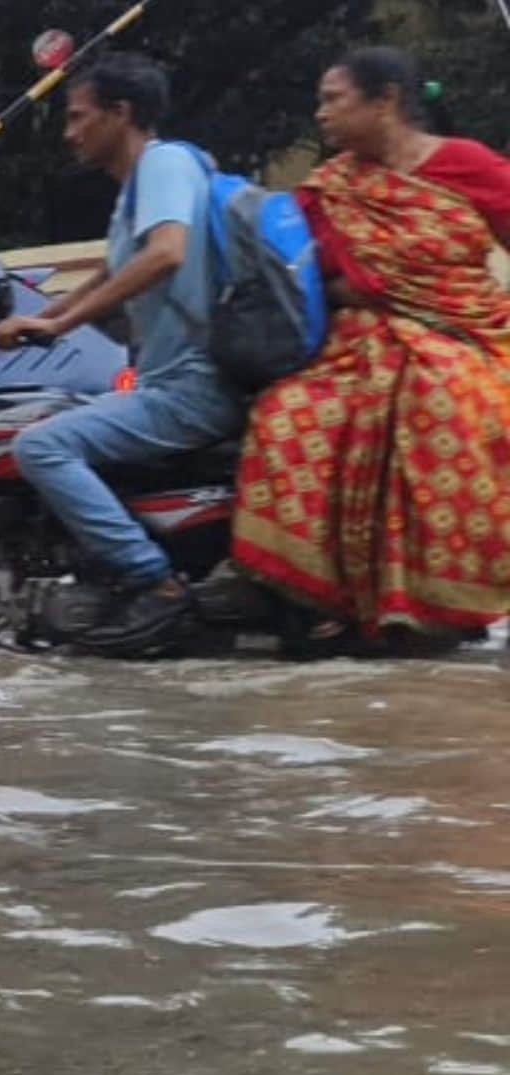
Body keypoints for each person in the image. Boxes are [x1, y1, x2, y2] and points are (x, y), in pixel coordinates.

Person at [233, 47, 510, 643]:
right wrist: (354, 291)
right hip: (353, 349)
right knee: (285, 414)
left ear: (385, 101)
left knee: (444, 399)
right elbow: (297, 278)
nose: (321, 114)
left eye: (333, 99)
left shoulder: (467, 165)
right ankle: (328, 600)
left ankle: (437, 598)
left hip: (467, 336)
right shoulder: (327, 189)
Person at [0, 52, 246, 655]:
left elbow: (165, 254)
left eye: (79, 116)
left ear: (120, 113)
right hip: (171, 380)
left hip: (191, 385)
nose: (69, 132)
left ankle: (154, 582)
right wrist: (34, 319)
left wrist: (61, 324)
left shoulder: (164, 163)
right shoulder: (136, 191)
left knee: (40, 445)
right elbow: (109, 274)